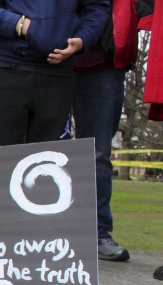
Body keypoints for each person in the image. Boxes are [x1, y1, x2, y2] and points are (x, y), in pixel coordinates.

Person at [0, 0, 110, 147]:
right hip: (7, 69)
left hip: (58, 77)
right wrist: (21, 25)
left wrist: (83, 39)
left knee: (52, 162)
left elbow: (97, 7)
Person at [74, 0, 154, 262]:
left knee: (97, 155)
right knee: (43, 149)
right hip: (46, 61)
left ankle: (98, 233)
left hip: (104, 63)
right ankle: (40, 233)